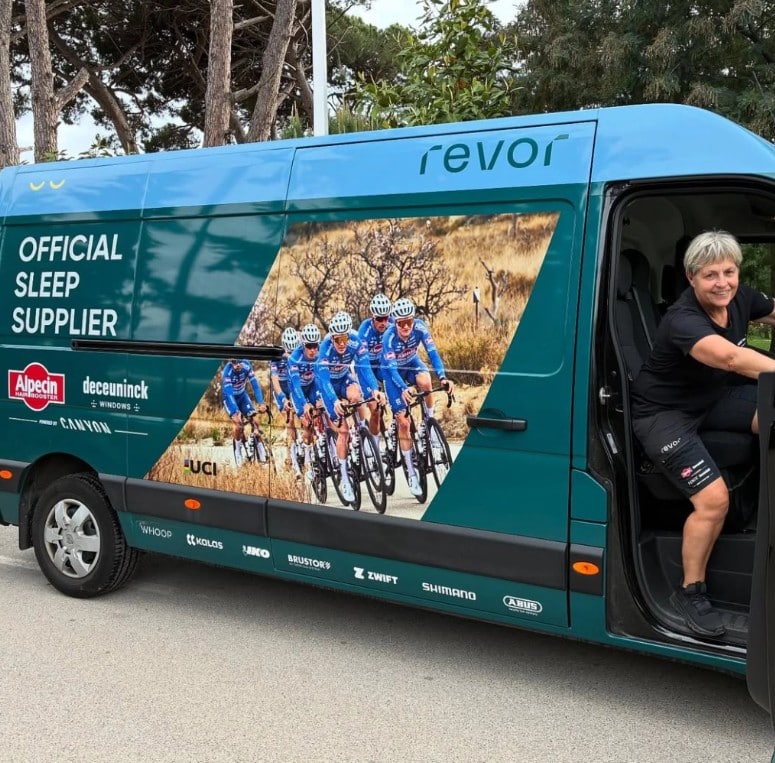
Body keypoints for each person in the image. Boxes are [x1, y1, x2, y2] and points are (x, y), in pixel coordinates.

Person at [631, 230, 775, 638]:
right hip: (663, 415)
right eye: (710, 275)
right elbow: (731, 358)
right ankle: (689, 591)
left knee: (770, 413)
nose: (722, 283)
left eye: (729, 272)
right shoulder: (683, 319)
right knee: (714, 501)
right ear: (692, 277)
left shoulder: (741, 297)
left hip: (708, 399)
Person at [381, 297, 455, 497]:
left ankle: (428, 423)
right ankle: (411, 472)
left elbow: (433, 354)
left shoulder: (420, 328)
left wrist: (443, 377)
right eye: (401, 323)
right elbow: (391, 369)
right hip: (393, 374)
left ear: (413, 320)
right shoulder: (388, 338)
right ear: (395, 323)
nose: (406, 326)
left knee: (426, 382)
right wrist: (403, 388)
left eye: (409, 321)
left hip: (412, 363)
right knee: (403, 423)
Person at [317, 310, 386, 504]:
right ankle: (344, 478)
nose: (341, 344)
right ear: (332, 338)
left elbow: (365, 369)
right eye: (337, 340)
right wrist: (334, 400)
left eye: (344, 339)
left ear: (349, 335)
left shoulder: (355, 341)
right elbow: (324, 381)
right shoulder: (324, 349)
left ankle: (363, 433)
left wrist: (374, 390)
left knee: (357, 396)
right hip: (328, 387)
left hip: (344, 378)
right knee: (344, 432)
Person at [287, 323, 324, 482]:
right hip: (298, 391)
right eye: (309, 346)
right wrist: (304, 404)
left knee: (325, 410)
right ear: (303, 345)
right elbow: (296, 385)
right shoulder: (294, 358)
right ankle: (307, 459)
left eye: (315, 346)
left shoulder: (320, 354)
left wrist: (322, 397)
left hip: (312, 386)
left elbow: (322, 377)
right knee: (307, 423)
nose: (313, 350)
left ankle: (326, 442)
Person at [357, 293, 394, 436]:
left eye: (386, 318)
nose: (383, 322)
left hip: (381, 365)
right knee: (374, 408)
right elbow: (365, 365)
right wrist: (374, 388)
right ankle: (375, 444)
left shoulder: (392, 324)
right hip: (365, 367)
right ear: (373, 317)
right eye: (379, 319)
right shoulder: (364, 330)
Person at [222, 357, 268, 467]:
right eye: (234, 362)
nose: (237, 365)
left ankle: (262, 454)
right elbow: (229, 393)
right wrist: (236, 410)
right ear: (230, 361)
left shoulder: (247, 365)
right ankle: (238, 451)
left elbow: (255, 385)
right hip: (230, 398)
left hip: (242, 396)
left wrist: (261, 403)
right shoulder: (227, 371)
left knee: (255, 421)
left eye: (239, 362)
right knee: (238, 424)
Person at [271, 327, 302, 478]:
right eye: (288, 351)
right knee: (289, 421)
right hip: (281, 388)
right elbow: (275, 380)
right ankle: (291, 457)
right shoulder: (276, 356)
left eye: (293, 350)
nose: (290, 354)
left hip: (293, 385)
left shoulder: (300, 351)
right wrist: (283, 398)